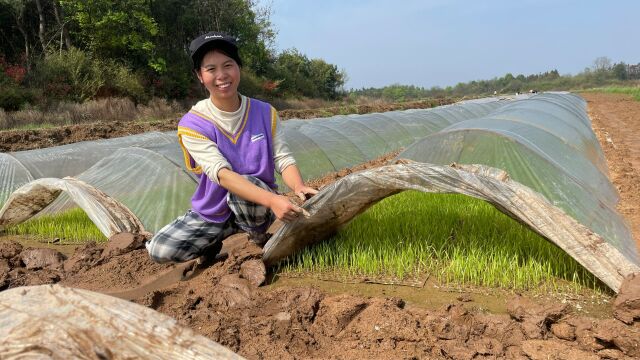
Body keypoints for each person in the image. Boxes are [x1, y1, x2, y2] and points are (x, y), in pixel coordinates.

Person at [146, 31, 317, 264]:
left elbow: (282, 157)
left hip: (253, 206)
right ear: (199, 75)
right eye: (211, 69)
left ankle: (255, 241)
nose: (221, 75)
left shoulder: (265, 113)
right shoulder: (192, 124)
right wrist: (273, 201)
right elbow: (221, 174)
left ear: (239, 68)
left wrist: (298, 186)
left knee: (248, 182)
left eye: (228, 65)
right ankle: (213, 242)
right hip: (214, 211)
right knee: (160, 250)